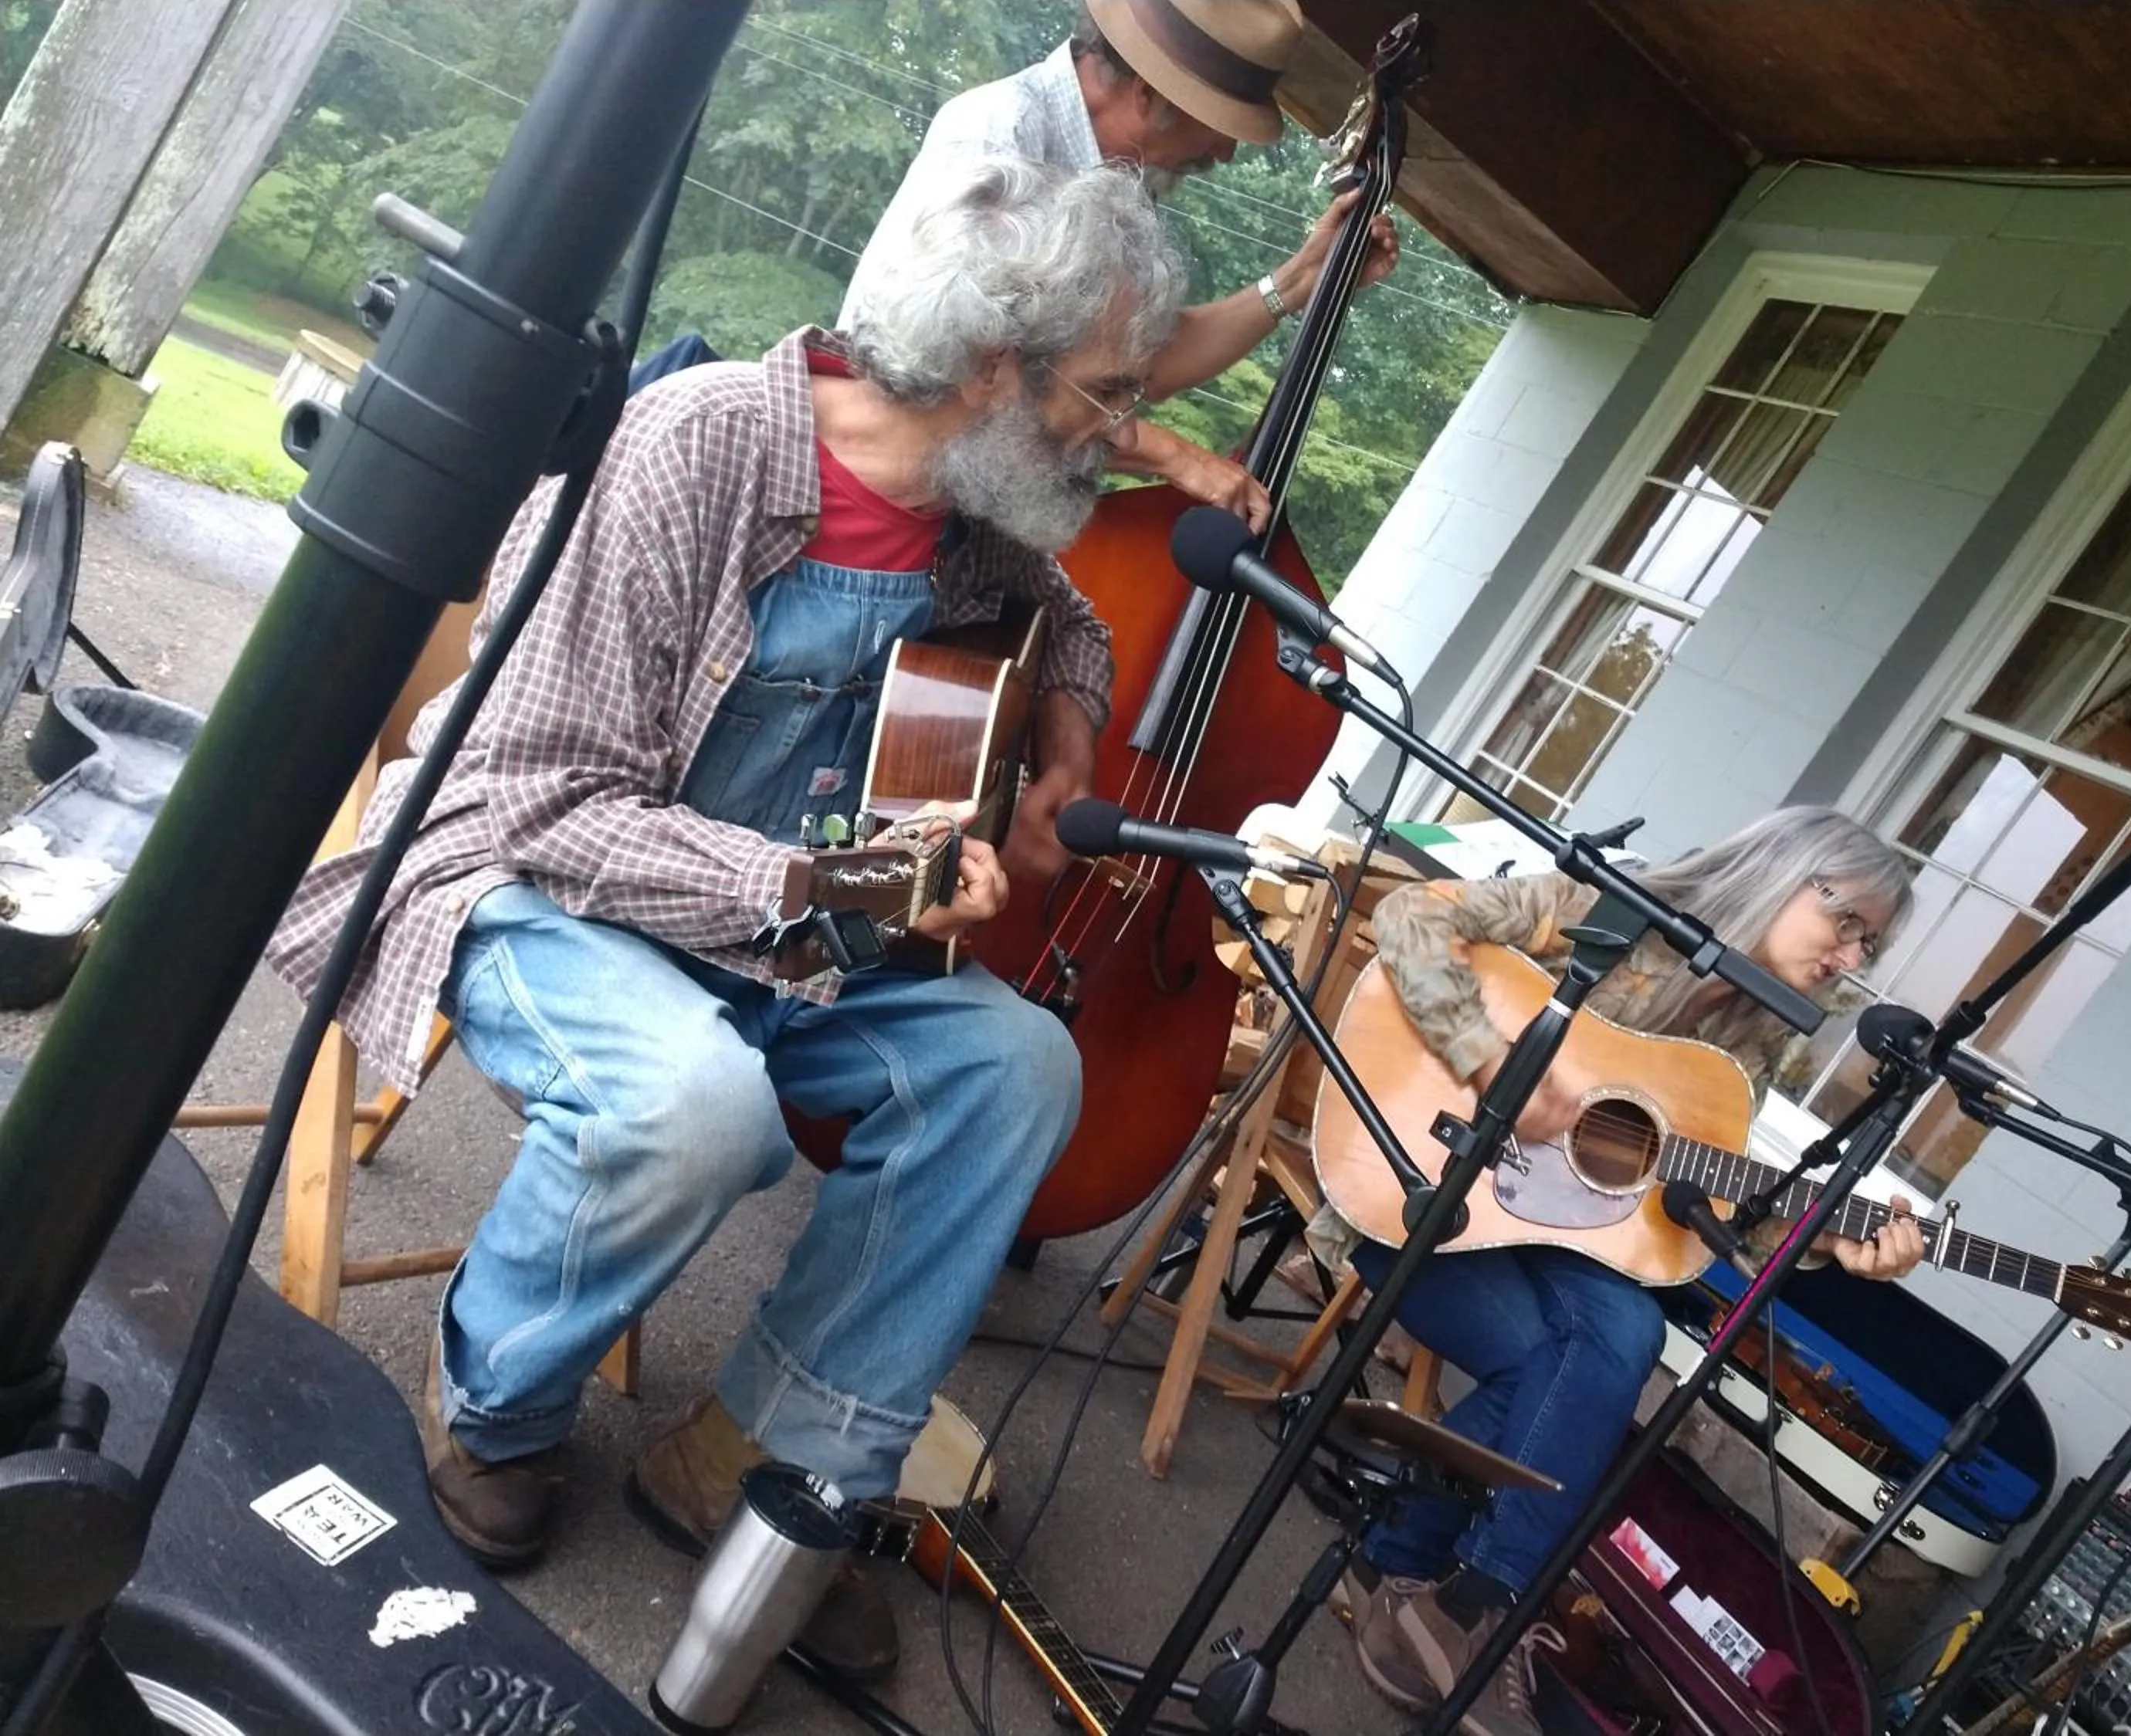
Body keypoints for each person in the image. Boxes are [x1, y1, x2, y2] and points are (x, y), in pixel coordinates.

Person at [266, 156, 1185, 1681]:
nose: (1124, 432)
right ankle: (496, 1412)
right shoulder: (696, 449)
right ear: (997, 369)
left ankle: (755, 1461)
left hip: (789, 941)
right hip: (542, 880)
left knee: (1017, 1067)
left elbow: (1072, 621)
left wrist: (1073, 732)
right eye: (1106, 390)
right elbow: (548, 801)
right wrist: (822, 883)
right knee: (702, 1103)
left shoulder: (978, 526)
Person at [1326, 807, 1927, 1734]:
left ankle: (1461, 1594)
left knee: (1620, 1334)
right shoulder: (1609, 908)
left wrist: (1828, 1245)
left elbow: (1680, 1201)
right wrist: (1492, 1063)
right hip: (1422, 1187)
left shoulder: (1760, 1038)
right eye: (1849, 925)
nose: (1853, 959)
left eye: (1871, 948)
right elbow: (1412, 916)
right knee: (1573, 1360)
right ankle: (1427, 1578)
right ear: (1792, 870)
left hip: (1557, 1237)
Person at [642, 0, 1400, 529]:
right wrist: (1167, 454)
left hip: (952, 517)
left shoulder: (1106, 173)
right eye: (1221, 123)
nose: (1227, 150)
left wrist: (1300, 280)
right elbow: (967, 378)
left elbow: (1134, 369)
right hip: (861, 507)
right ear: (1147, 91)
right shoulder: (1000, 135)